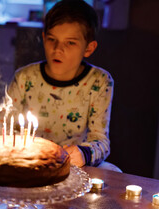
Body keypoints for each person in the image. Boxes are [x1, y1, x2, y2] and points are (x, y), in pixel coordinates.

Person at [7, 0, 121, 171]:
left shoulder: (99, 81)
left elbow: (101, 141)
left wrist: (83, 154)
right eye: (52, 39)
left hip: (73, 166)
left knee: (112, 171)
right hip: (28, 163)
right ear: (44, 38)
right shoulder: (24, 77)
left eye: (70, 43)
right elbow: (7, 128)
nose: (58, 49)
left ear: (89, 48)